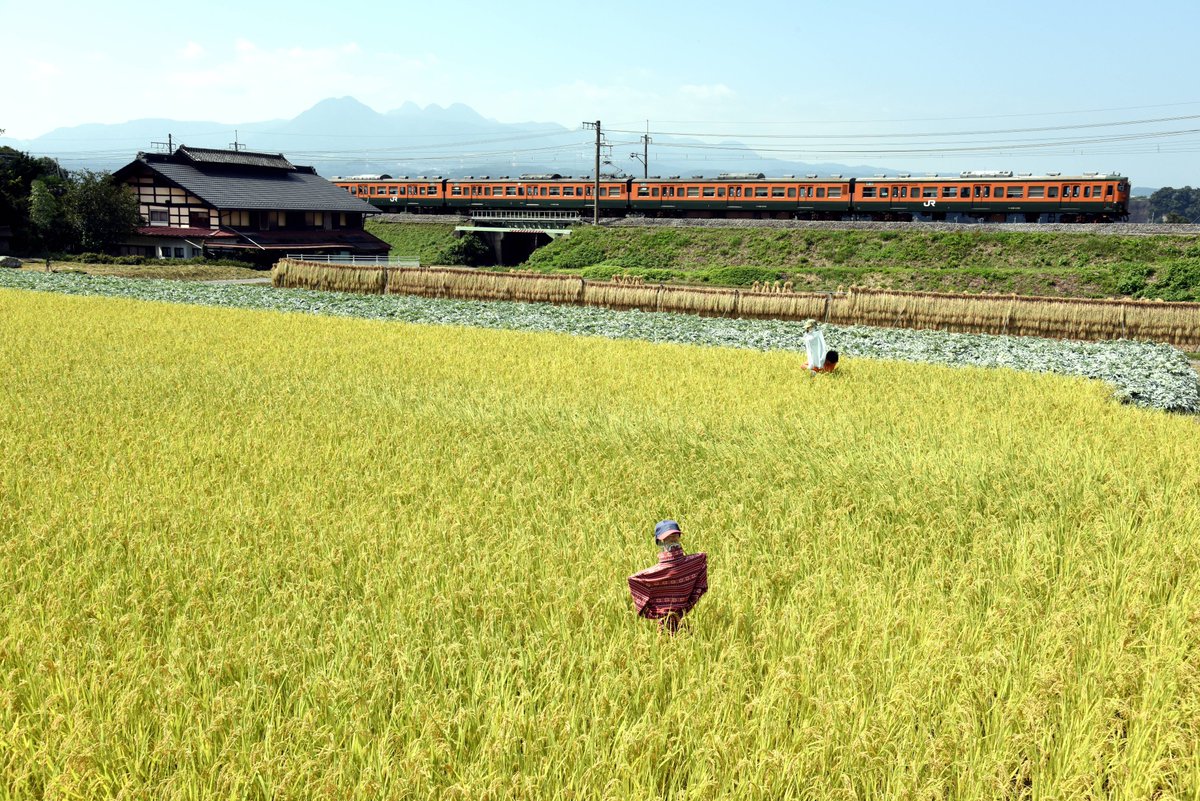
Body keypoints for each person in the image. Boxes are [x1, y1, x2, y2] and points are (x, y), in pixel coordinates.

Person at [627, 520, 708, 634]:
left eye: (675, 536)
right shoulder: (657, 572)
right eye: (669, 538)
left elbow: (702, 559)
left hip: (682, 618)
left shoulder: (693, 563)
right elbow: (635, 580)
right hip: (665, 623)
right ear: (660, 542)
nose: (673, 540)